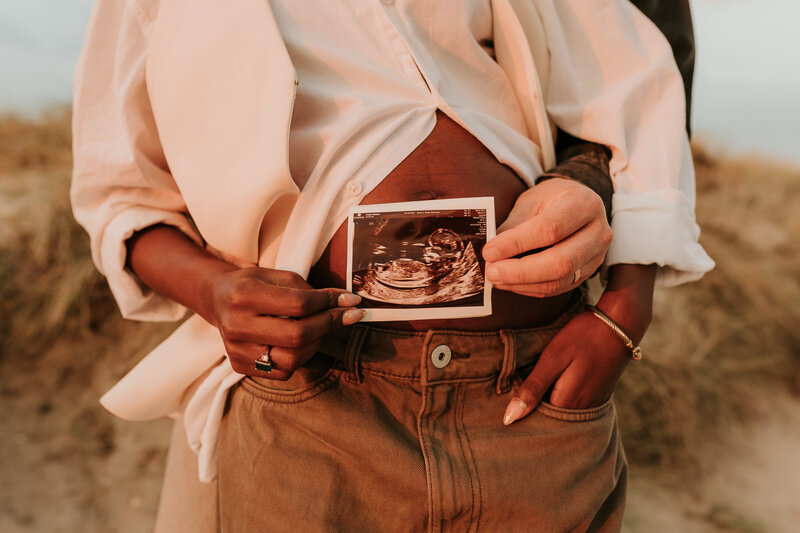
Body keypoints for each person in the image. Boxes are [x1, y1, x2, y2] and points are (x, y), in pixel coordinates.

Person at [71, 0, 712, 530]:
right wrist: (216, 292)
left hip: (530, 396)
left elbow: (637, 81)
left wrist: (627, 305)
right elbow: (122, 196)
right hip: (315, 408)